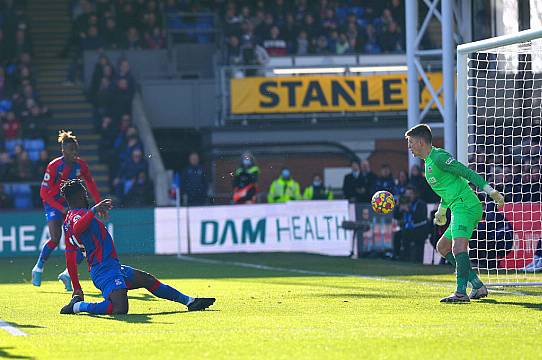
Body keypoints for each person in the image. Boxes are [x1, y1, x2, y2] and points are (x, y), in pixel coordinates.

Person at [59, 179, 215, 315]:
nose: (87, 196)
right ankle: (79, 307)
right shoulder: (78, 215)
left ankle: (190, 302)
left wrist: (77, 288)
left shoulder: (67, 222)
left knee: (147, 279)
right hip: (104, 270)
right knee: (119, 308)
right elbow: (79, 227)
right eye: (85, 194)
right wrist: (94, 210)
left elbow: (69, 257)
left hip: (111, 267)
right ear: (79, 196)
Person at [405, 124, 504, 303]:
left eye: (411, 142)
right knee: (442, 247)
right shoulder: (428, 163)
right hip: (457, 205)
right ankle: (477, 285)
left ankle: (460, 293)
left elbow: (466, 172)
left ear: (421, 142)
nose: (409, 146)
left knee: (458, 248)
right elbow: (448, 190)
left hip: (466, 205)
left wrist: (491, 191)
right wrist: (442, 211)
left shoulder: (439, 157)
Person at [32, 130, 102, 292]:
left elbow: (90, 184)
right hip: (53, 204)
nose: (74, 153)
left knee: (83, 241)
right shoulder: (54, 166)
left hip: (71, 207)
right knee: (56, 238)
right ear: (63, 151)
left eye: (76, 150)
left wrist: (99, 204)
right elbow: (43, 193)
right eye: (71, 150)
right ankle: (38, 268)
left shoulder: (81, 165)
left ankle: (67, 274)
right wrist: (60, 208)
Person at [392, 186, 429, 262]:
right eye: (407, 194)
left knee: (406, 234)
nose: (408, 196)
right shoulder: (403, 203)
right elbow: (396, 216)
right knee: (397, 235)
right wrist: (399, 208)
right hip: (407, 228)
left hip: (419, 229)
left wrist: (410, 210)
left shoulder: (421, 204)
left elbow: (421, 217)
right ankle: (396, 256)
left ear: (415, 195)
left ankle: (406, 257)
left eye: (410, 194)